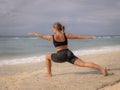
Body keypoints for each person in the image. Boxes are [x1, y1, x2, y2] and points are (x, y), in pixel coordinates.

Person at [29, 22, 107, 77]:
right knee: (84, 63)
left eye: (53, 29)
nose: (53, 30)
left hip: (61, 55)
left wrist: (34, 33)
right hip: (69, 53)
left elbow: (42, 36)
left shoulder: (52, 37)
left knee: (47, 56)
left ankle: (49, 74)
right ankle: (102, 69)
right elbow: (77, 36)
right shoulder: (66, 35)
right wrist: (88, 37)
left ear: (54, 29)